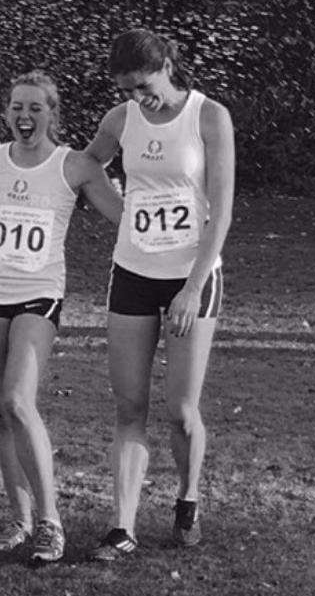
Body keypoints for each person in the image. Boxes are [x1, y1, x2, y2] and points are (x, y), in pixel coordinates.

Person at [82, 29, 235, 560]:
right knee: (129, 405)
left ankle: (187, 499)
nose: (137, 97)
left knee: (180, 410)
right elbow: (85, 168)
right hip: (132, 272)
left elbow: (223, 209)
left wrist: (192, 288)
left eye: (143, 85)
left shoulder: (209, 116)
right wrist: (121, 216)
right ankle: (122, 527)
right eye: (127, 89)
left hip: (192, 274)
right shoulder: (120, 120)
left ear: (167, 65)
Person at [0, 70, 124, 564]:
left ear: (52, 115)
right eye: (17, 107)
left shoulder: (73, 166)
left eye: (36, 108)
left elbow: (124, 218)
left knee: (18, 399)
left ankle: (50, 522)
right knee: (0, 408)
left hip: (39, 295)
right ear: (6, 112)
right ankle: (18, 519)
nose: (25, 116)